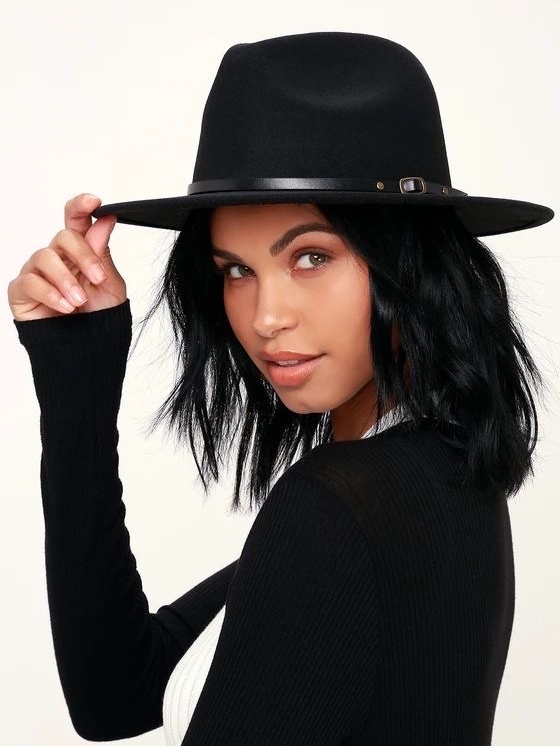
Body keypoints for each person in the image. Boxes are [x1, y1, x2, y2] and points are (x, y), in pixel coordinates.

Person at [7, 31, 554, 746]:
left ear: (410, 263)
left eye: (311, 257)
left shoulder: (341, 503)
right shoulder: (437, 471)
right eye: (236, 270)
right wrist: (77, 368)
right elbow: (116, 693)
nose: (266, 317)